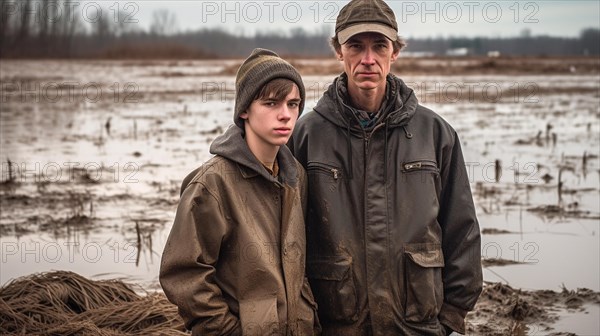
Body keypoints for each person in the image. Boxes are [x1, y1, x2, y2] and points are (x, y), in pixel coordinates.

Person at [288, 0, 483, 335]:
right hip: (336, 325)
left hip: (417, 325)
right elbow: (288, 237)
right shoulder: (306, 135)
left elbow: (461, 229)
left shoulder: (435, 134)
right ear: (338, 51)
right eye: (355, 46)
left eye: (379, 46)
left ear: (395, 53)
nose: (368, 59)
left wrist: (451, 315)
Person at [160, 48, 319, 336]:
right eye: (271, 103)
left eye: (293, 104)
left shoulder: (297, 177)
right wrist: (227, 330)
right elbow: (184, 274)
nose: (285, 115)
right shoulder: (212, 185)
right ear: (244, 109)